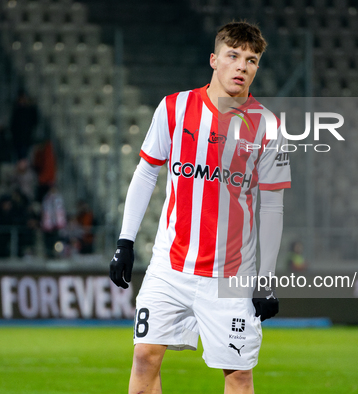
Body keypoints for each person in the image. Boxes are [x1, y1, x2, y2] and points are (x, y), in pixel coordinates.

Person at [109, 21, 291, 394]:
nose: (242, 66)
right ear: (214, 59)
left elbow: (273, 205)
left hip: (231, 276)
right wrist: (125, 242)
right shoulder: (174, 107)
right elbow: (146, 173)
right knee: (145, 355)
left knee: (237, 374)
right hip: (170, 266)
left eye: (252, 60)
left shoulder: (268, 127)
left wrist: (267, 277)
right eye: (233, 56)